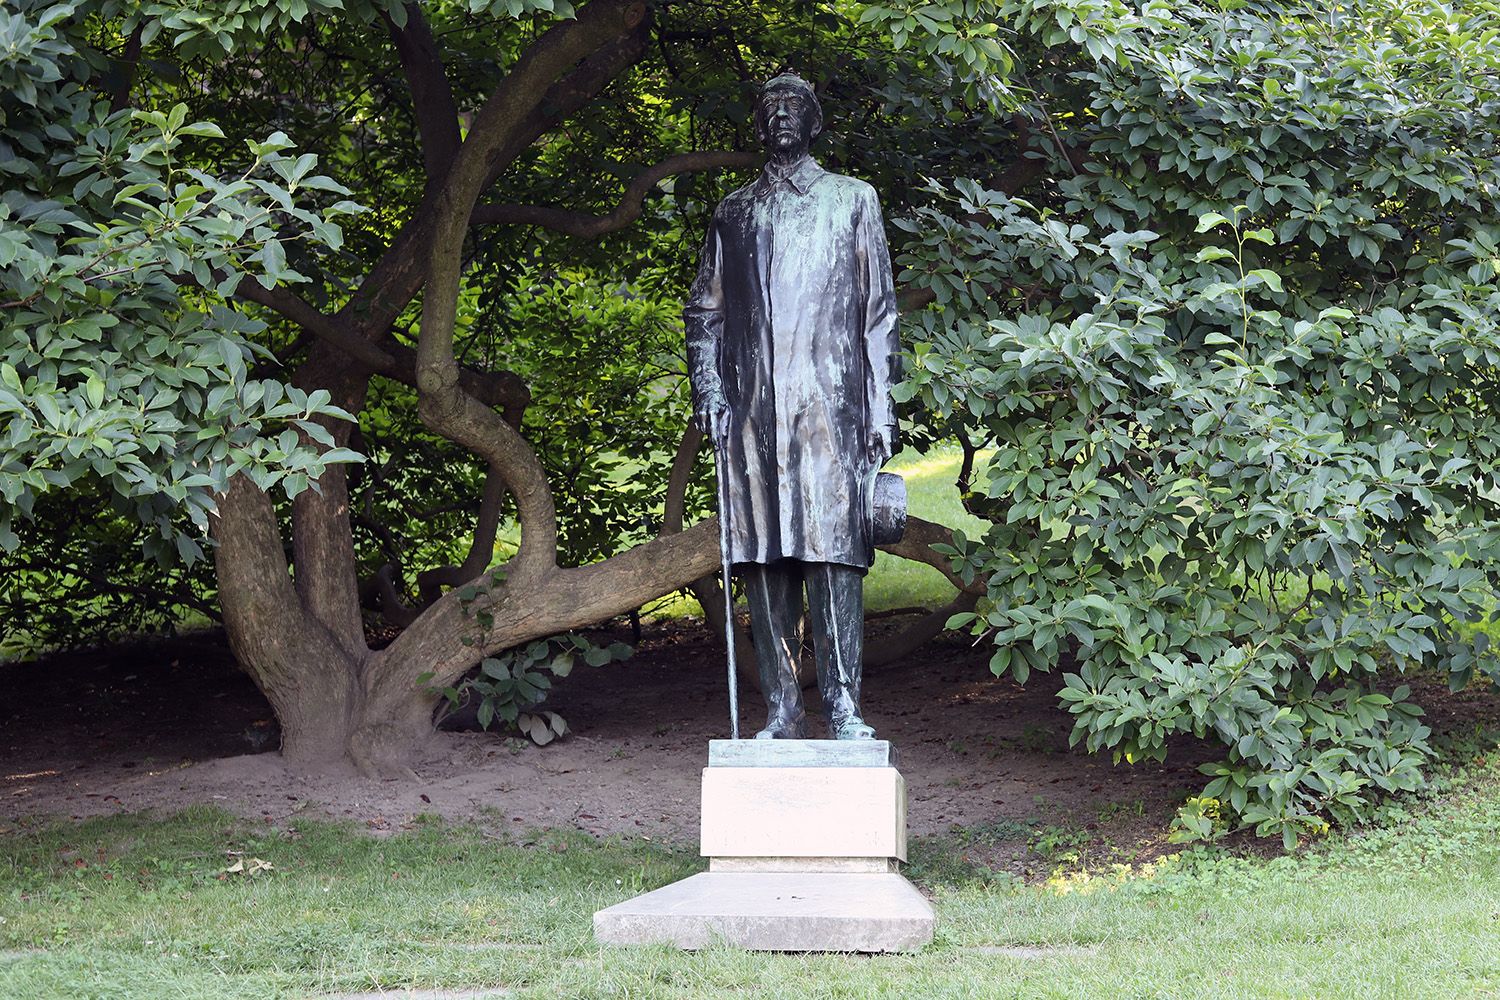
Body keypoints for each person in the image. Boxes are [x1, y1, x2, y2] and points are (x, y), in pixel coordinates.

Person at [684, 72, 900, 741]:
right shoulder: (733, 212)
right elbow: (704, 313)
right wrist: (710, 392)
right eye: (770, 105)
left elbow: (879, 315)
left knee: (833, 556)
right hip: (752, 414)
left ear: (814, 122)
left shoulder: (852, 200)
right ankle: (781, 710)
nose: (781, 113)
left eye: (794, 105)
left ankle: (844, 707)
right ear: (758, 123)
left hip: (830, 412)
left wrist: (881, 409)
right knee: (765, 558)